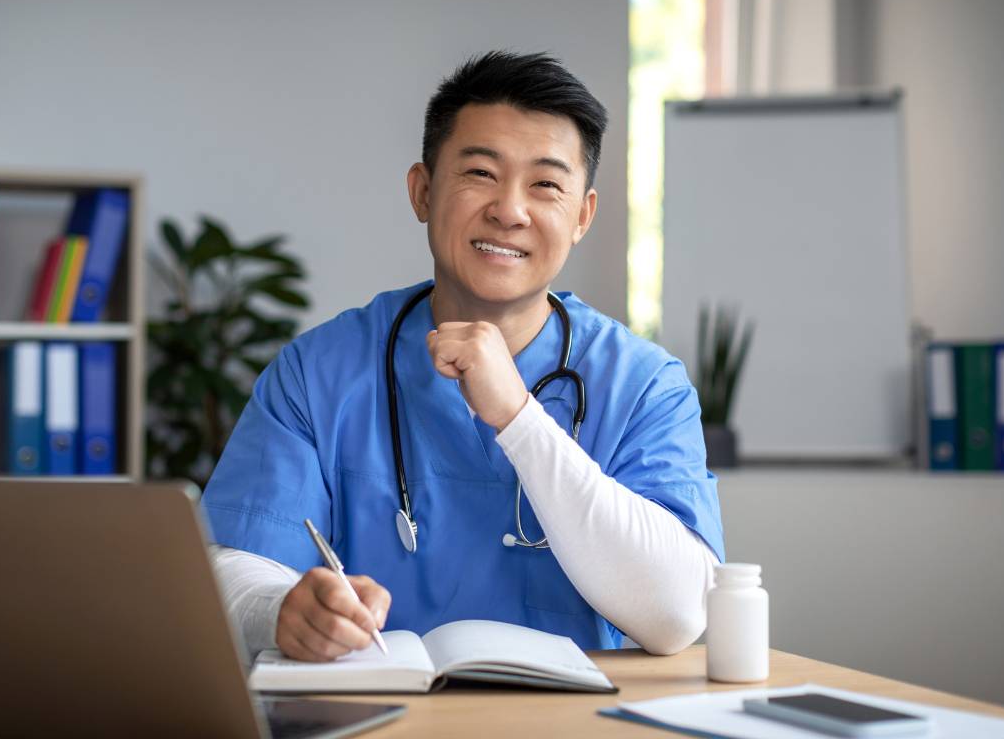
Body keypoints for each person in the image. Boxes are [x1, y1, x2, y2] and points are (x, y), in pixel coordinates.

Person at [202, 51, 724, 663]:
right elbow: (235, 561)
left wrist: (519, 418)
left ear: (582, 216)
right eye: (480, 173)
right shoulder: (318, 373)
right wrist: (282, 609)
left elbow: (678, 613)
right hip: (372, 719)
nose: (509, 210)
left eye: (546, 184)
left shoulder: (643, 385)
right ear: (422, 192)